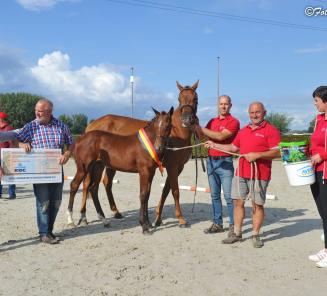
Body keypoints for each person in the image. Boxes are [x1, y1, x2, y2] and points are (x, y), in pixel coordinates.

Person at [205, 102, 280, 248]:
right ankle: (237, 233)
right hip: (241, 173)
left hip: (260, 174)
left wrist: (258, 155)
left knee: (257, 205)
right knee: (237, 203)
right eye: (252, 113)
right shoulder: (244, 131)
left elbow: (277, 152)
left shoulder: (271, 130)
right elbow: (233, 147)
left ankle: (255, 234)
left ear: (264, 112)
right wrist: (215, 145)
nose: (254, 115)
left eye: (257, 112)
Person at [14, 99, 74, 244]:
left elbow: (72, 143)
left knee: (56, 202)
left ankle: (49, 231)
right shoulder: (30, 126)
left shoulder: (61, 126)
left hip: (56, 170)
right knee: (43, 202)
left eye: (39, 111)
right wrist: (22, 144)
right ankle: (43, 233)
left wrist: (66, 154)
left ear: (49, 112)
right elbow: (16, 141)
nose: (37, 113)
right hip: (38, 171)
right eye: (36, 110)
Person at [201, 95, 240, 235]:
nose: (223, 106)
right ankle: (218, 223)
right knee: (215, 196)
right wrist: (194, 126)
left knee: (229, 197)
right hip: (211, 161)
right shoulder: (212, 121)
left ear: (230, 105)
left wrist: (199, 128)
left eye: (226, 104)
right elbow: (203, 135)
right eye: (221, 104)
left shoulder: (234, 122)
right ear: (218, 105)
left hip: (225, 162)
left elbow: (220, 136)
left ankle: (233, 226)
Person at [308, 86, 327, 268]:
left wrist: (322, 155)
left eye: (317, 100)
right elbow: (315, 143)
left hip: (326, 170)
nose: (315, 104)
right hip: (316, 170)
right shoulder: (319, 120)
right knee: (323, 212)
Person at [0, 112, 16, 199]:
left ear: (1, 119)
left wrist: (10, 154)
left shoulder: (8, 128)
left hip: (6, 154)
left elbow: (12, 142)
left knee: (10, 175)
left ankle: (12, 194)